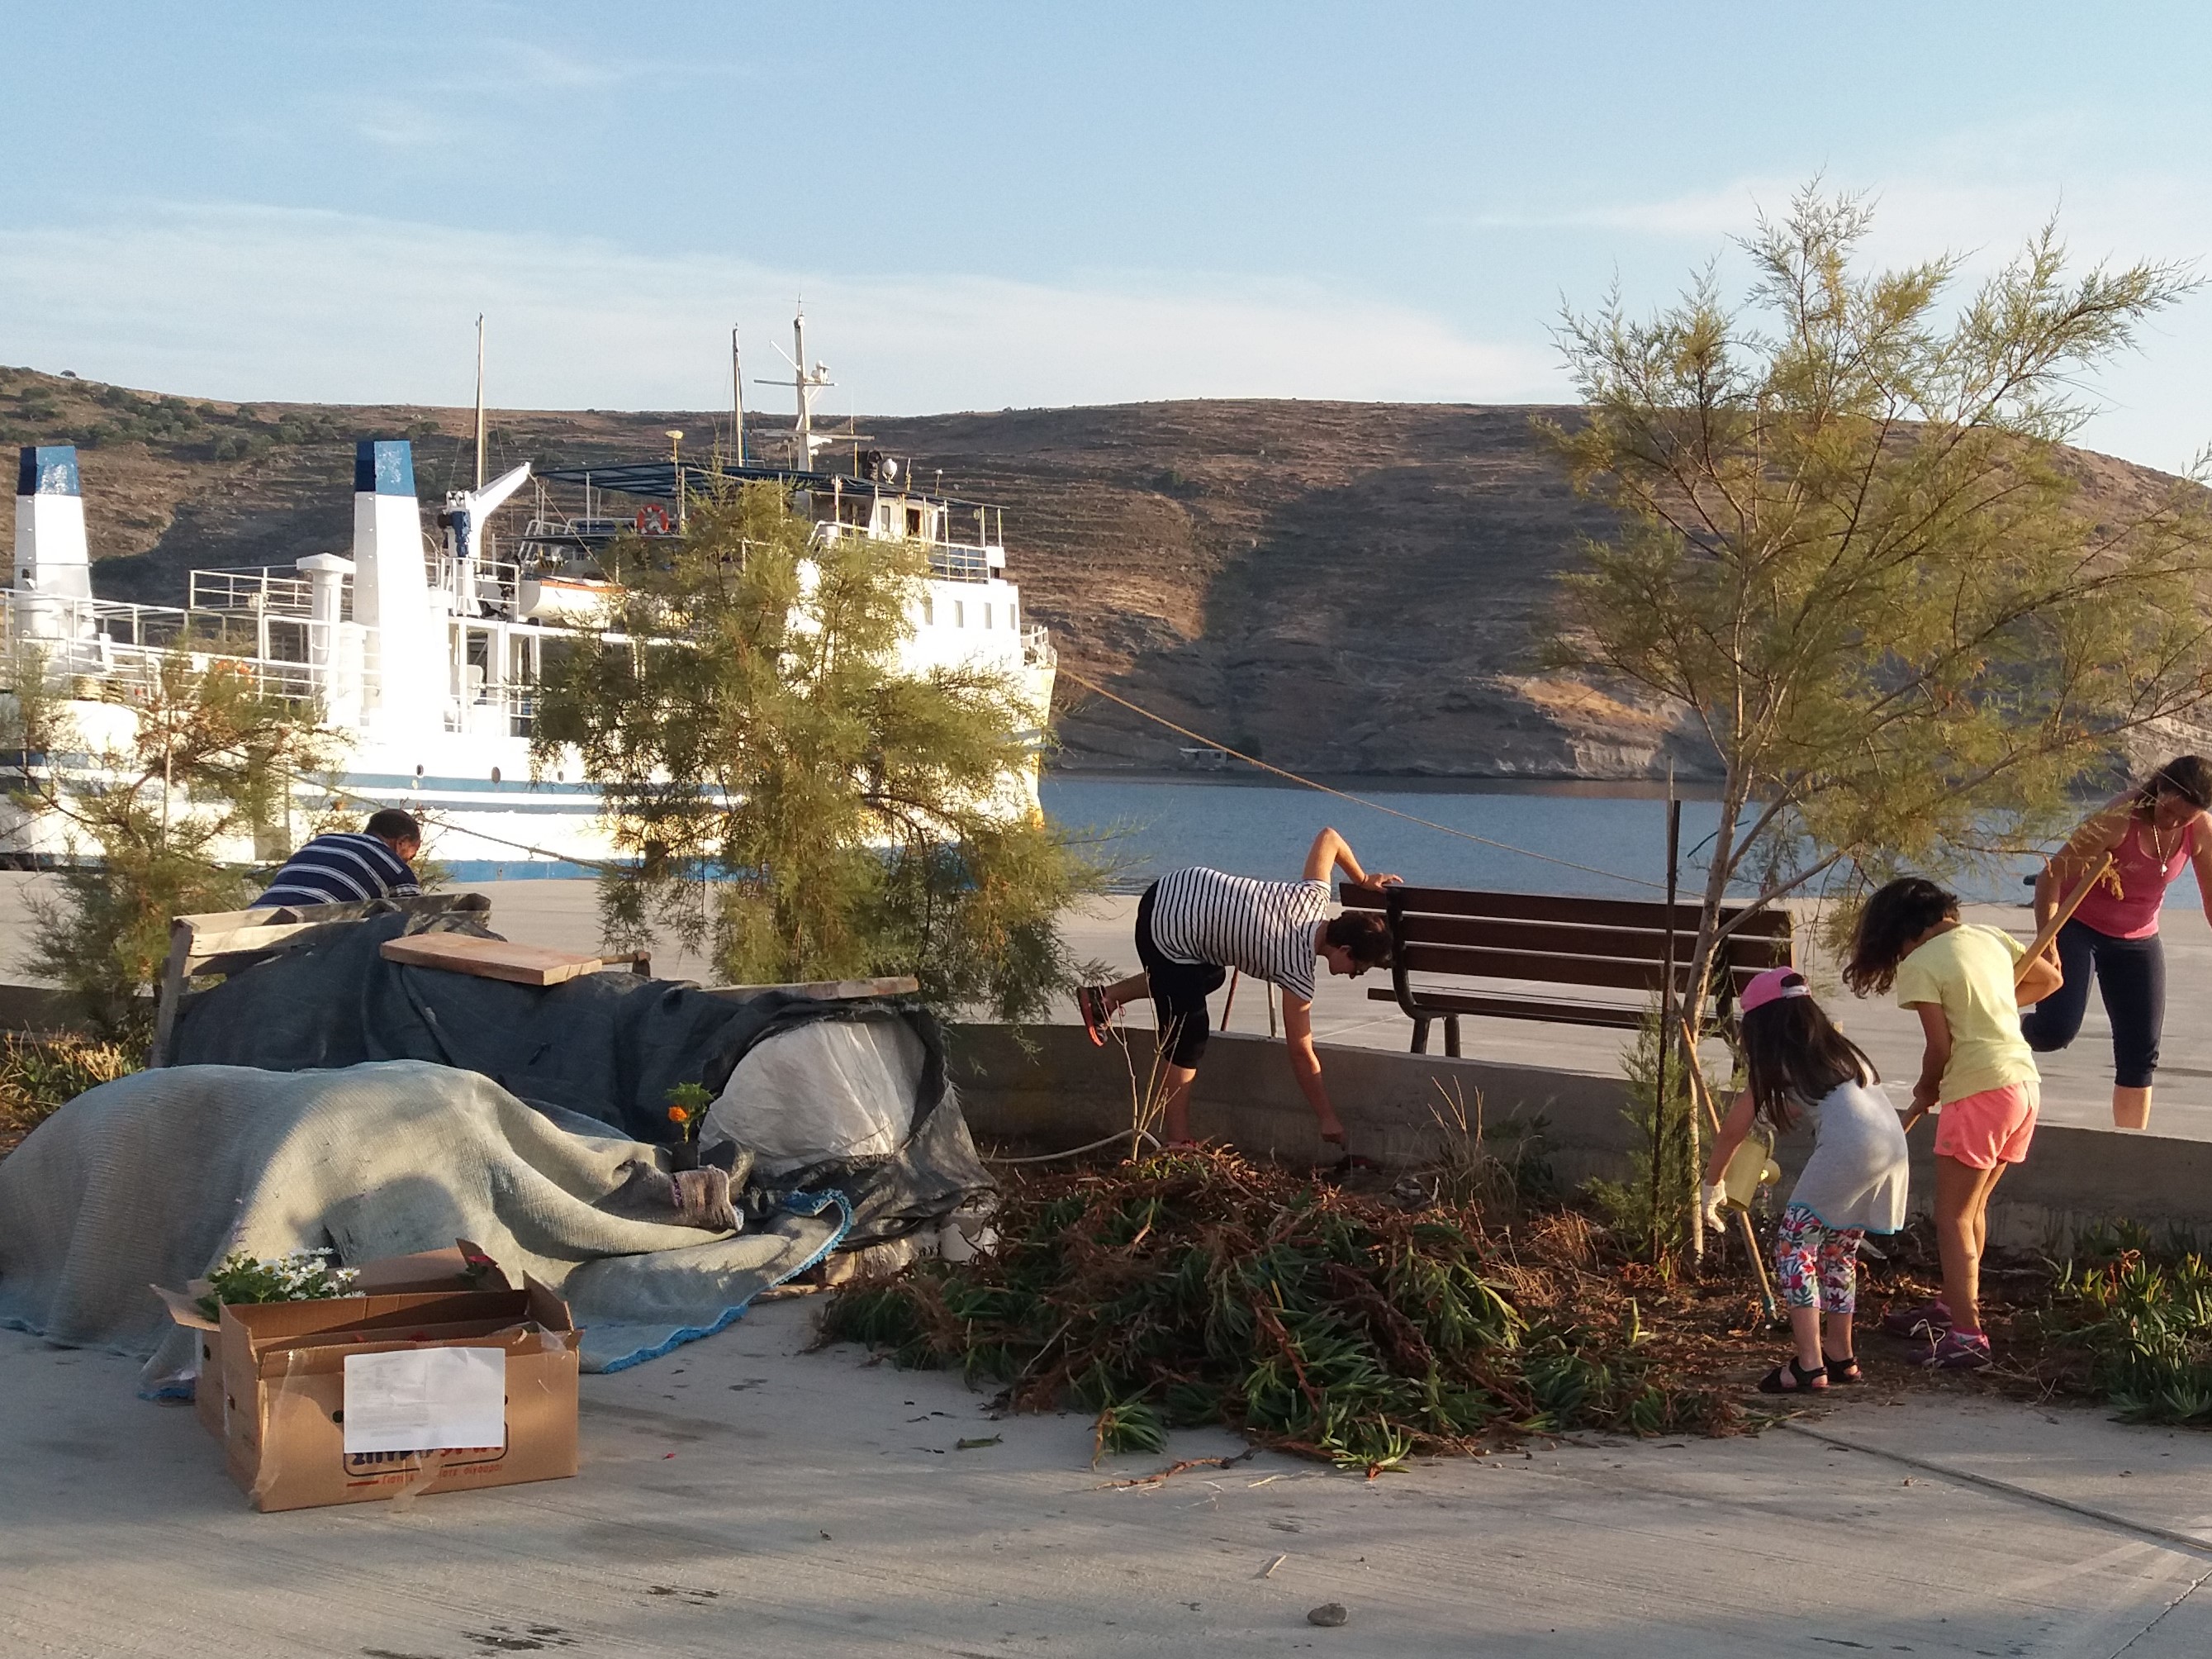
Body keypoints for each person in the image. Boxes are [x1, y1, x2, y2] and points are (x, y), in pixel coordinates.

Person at [1843, 877, 2061, 1371]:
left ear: (1903, 931)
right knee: (1973, 1207)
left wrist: (1926, 1089)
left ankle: (1967, 1336)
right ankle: (1952, 1306)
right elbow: (2049, 980)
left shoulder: (1921, 963)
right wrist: (1988, 1001)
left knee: (1953, 1218)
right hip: (2023, 1086)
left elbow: (1939, 1048)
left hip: (1979, 1091)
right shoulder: (1988, 936)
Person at [1075, 827, 1398, 1160]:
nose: (1353, 976)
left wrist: (1362, 879)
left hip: (1172, 887)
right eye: (1358, 969)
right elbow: (1302, 1054)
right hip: (1165, 930)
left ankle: (1104, 999)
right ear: (1345, 950)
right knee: (1189, 1034)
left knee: (1211, 975)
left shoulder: (1314, 896)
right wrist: (1327, 1117)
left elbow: (1328, 837)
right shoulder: (1296, 968)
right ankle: (1177, 1142)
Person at [1702, 968, 1909, 1393]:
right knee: (1838, 1251)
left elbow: (1731, 1131)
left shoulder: (1779, 1063)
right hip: (1891, 1149)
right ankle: (1840, 1355)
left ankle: (1809, 1365)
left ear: (1762, 1028)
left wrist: (1712, 1184)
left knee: (1793, 1245)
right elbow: (1814, 1102)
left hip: (1848, 1151)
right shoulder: (1840, 1054)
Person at [2021, 756, 2212, 1128]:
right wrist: (2049, 944)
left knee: (2140, 1053)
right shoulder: (2118, 818)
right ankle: (2002, 1028)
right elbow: (2051, 877)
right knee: (2056, 1030)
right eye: (2169, 810)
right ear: (2160, 788)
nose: (2173, 822)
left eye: (2184, 818)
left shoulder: (2200, 829)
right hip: (2079, 927)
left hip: (2139, 938)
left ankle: (2131, 1141)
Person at [255, 809, 425, 908]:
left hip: (255, 920)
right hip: (302, 934)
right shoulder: (395, 867)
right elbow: (414, 919)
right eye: (411, 855)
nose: (408, 862)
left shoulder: (322, 841)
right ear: (401, 842)